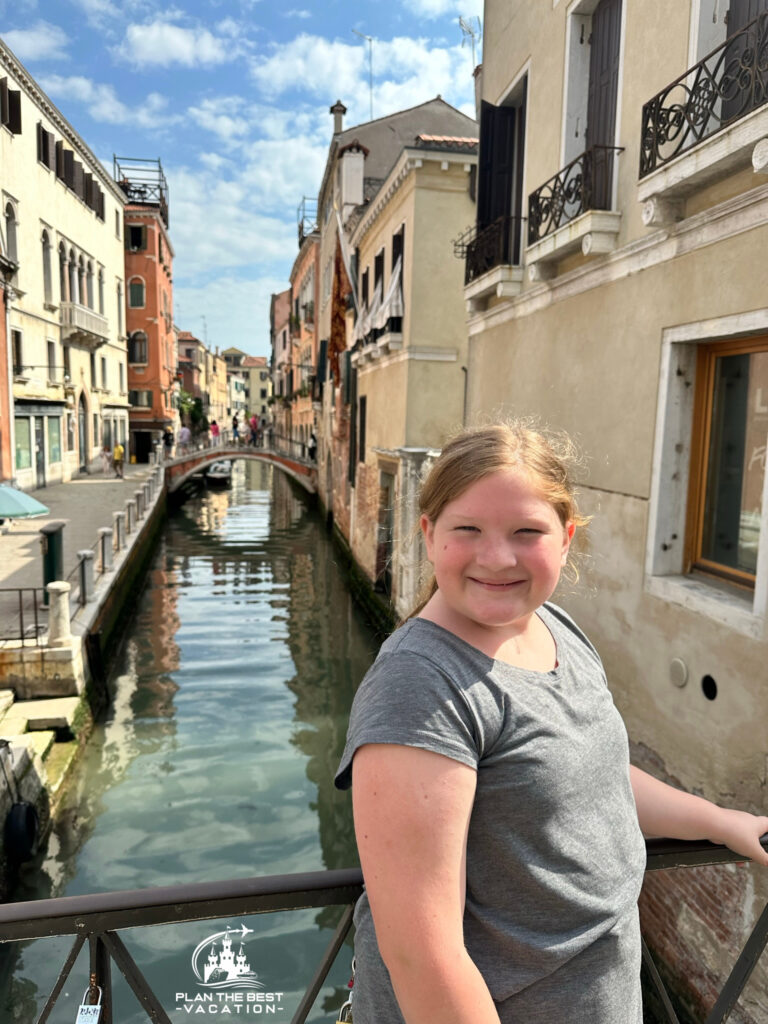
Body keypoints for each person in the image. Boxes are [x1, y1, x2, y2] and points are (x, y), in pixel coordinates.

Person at [335, 421, 768, 1024]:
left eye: (526, 532)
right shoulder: (418, 686)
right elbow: (421, 957)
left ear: (565, 539)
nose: (497, 557)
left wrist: (722, 822)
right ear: (430, 535)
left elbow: (596, 776)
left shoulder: (554, 628)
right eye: (468, 529)